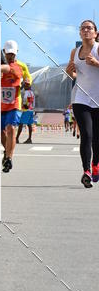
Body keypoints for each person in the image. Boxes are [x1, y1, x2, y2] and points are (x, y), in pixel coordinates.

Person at [65, 20, 99, 187]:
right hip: (81, 99)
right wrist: (69, 71)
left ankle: (96, 165)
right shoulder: (75, 51)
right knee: (86, 134)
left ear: (95, 33)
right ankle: (86, 171)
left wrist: (96, 64)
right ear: (80, 33)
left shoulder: (98, 49)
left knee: (97, 138)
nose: (86, 30)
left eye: (89, 28)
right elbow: (75, 76)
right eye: (83, 28)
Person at [0, 40, 23, 172]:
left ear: (16, 53)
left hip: (13, 105)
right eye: (8, 54)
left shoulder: (18, 67)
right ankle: (6, 151)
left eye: (13, 54)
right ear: (4, 52)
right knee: (2, 133)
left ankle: (9, 157)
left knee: (11, 129)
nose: (10, 57)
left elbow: (14, 72)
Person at [16, 79, 35, 143]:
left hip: (26, 110)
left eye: (25, 85)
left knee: (21, 124)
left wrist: (24, 105)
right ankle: (29, 139)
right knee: (29, 124)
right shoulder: (32, 92)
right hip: (31, 110)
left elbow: (24, 99)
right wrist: (33, 108)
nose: (24, 86)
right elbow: (34, 102)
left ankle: (16, 138)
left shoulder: (26, 92)